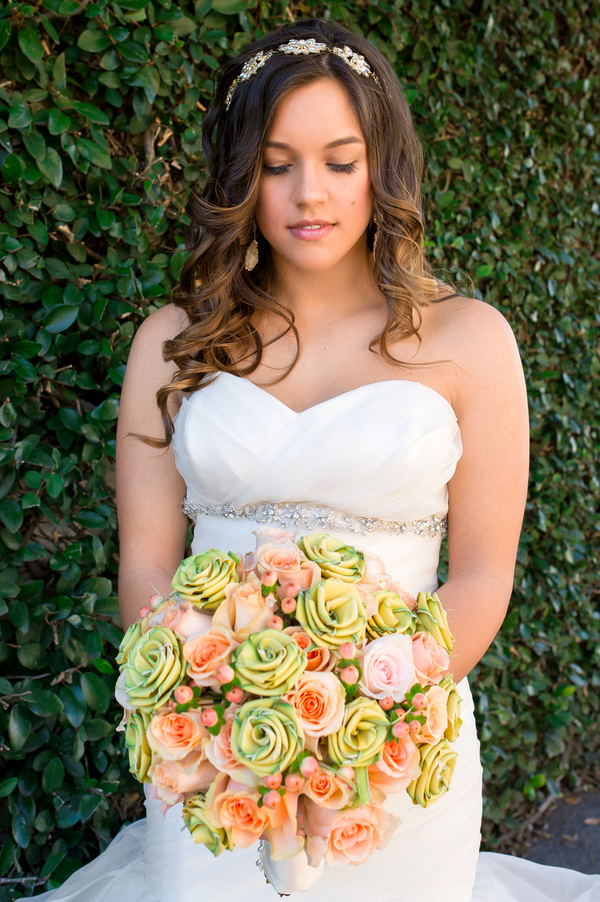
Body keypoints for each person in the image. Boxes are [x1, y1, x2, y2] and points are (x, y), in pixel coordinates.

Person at [26, 17, 600, 902]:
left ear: (384, 167)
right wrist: (204, 714)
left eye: (340, 159)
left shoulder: (470, 341)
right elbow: (146, 564)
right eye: (276, 162)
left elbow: (483, 577)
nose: (310, 194)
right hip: (211, 759)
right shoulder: (172, 344)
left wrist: (366, 722)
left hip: (399, 756)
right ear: (240, 175)